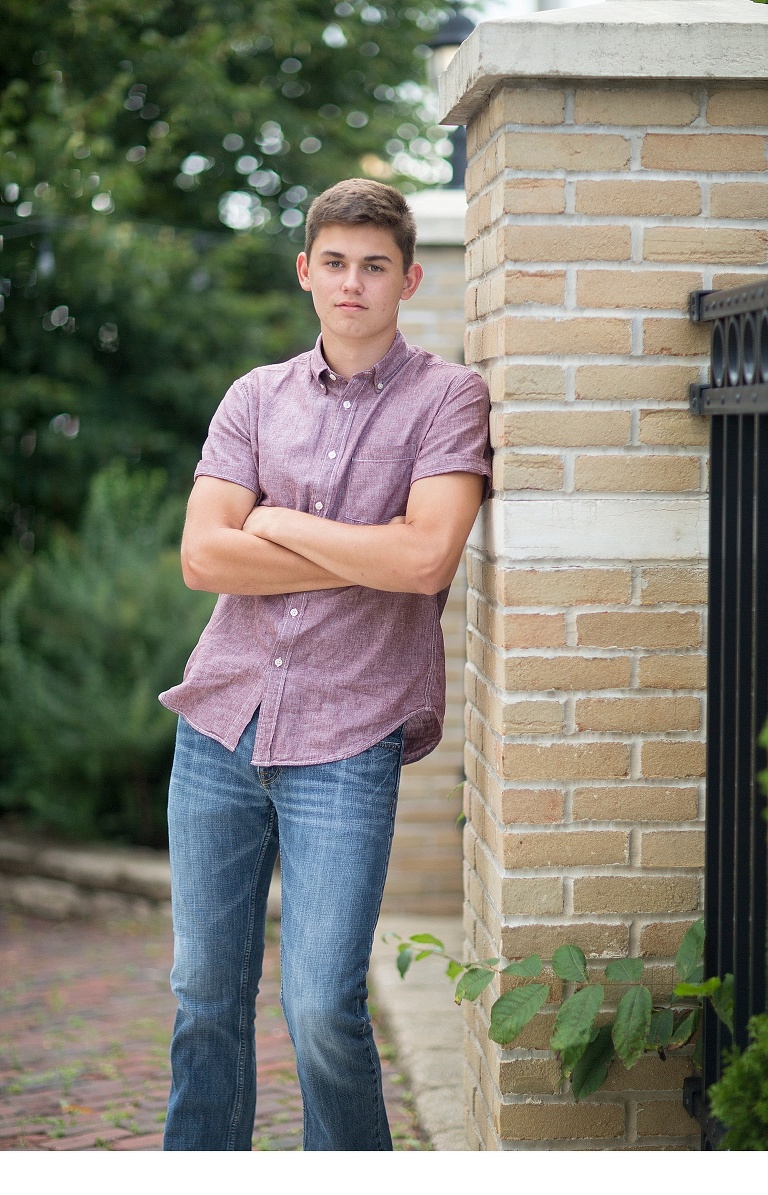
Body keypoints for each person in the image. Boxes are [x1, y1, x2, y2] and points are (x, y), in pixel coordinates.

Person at [158, 178, 491, 1151]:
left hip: (350, 733)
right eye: (336, 263)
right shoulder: (254, 397)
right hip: (220, 723)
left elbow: (425, 560)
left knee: (321, 1005)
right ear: (306, 271)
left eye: (374, 266)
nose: (353, 283)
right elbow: (203, 557)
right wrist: (367, 548)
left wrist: (278, 523)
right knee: (203, 995)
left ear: (409, 279)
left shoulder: (449, 398)